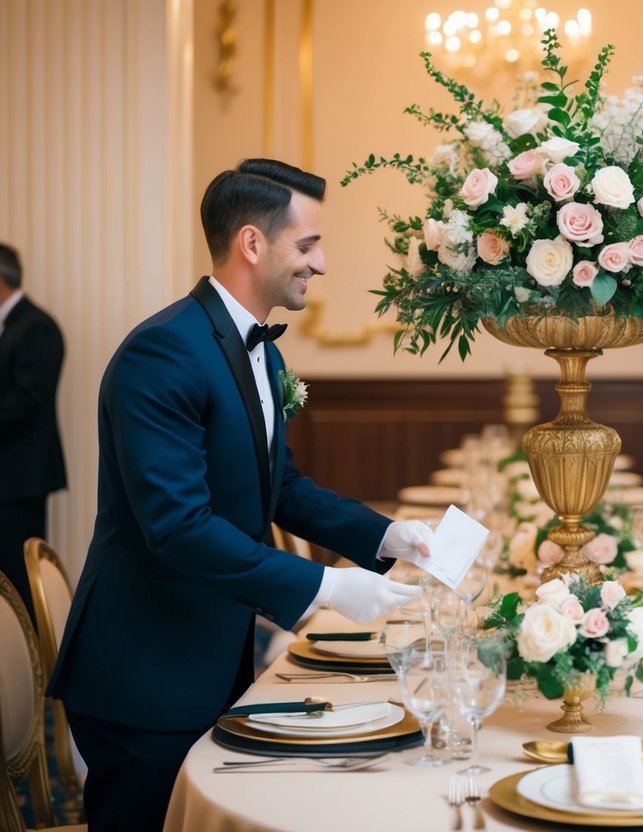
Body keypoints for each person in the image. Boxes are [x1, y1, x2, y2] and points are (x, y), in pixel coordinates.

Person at [48, 159, 437, 831]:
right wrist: (326, 587)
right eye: (308, 244)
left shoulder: (261, 351)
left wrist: (384, 536)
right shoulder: (164, 352)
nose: (322, 263)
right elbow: (179, 527)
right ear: (253, 243)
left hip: (211, 652)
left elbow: (277, 486)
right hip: (148, 670)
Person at [0, 242, 67, 618]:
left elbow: (27, 400)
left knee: (19, 578)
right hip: (9, 475)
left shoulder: (36, 326)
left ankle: (31, 669)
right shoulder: (13, 324)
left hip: (21, 477)